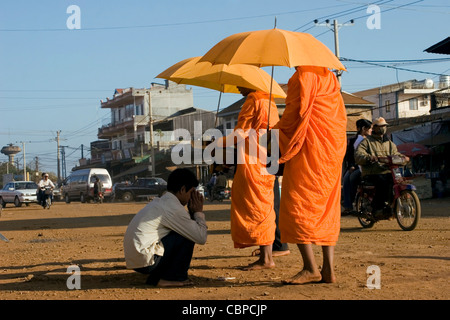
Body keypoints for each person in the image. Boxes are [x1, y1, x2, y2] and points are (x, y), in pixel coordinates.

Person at [273, 66, 347, 284]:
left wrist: (275, 131)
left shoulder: (301, 77)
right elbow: (338, 115)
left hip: (309, 149)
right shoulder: (330, 77)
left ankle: (310, 268)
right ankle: (328, 270)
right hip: (332, 149)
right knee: (326, 208)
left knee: (297, 204)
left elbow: (295, 115)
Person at [215, 86, 279, 270]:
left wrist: (217, 142)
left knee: (256, 207)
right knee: (264, 207)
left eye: (240, 83)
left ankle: (266, 259)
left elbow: (241, 132)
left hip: (253, 162)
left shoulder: (253, 101)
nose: (237, 87)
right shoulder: (270, 102)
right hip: (267, 160)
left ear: (249, 83)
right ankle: (266, 256)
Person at [123, 168, 207, 287]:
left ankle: (159, 277)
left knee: (184, 230)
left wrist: (192, 214)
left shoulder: (163, 202)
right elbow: (200, 237)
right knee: (186, 236)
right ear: (183, 189)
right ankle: (175, 278)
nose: (192, 197)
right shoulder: (174, 209)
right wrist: (198, 212)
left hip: (137, 260)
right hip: (146, 262)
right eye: (191, 192)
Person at [355, 117, 409, 217]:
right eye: (380, 126)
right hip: (372, 173)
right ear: (374, 128)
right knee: (383, 183)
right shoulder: (366, 142)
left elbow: (395, 154)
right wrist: (369, 158)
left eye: (384, 126)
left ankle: (390, 204)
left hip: (388, 171)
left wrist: (403, 158)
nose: (383, 128)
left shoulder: (390, 144)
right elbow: (358, 155)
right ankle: (377, 208)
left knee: (398, 181)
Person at [342, 119, 372, 215]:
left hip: (367, 166)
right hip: (357, 166)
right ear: (364, 129)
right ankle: (348, 205)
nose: (371, 130)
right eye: (369, 128)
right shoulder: (354, 141)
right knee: (347, 178)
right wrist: (352, 166)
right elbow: (350, 155)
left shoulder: (371, 140)